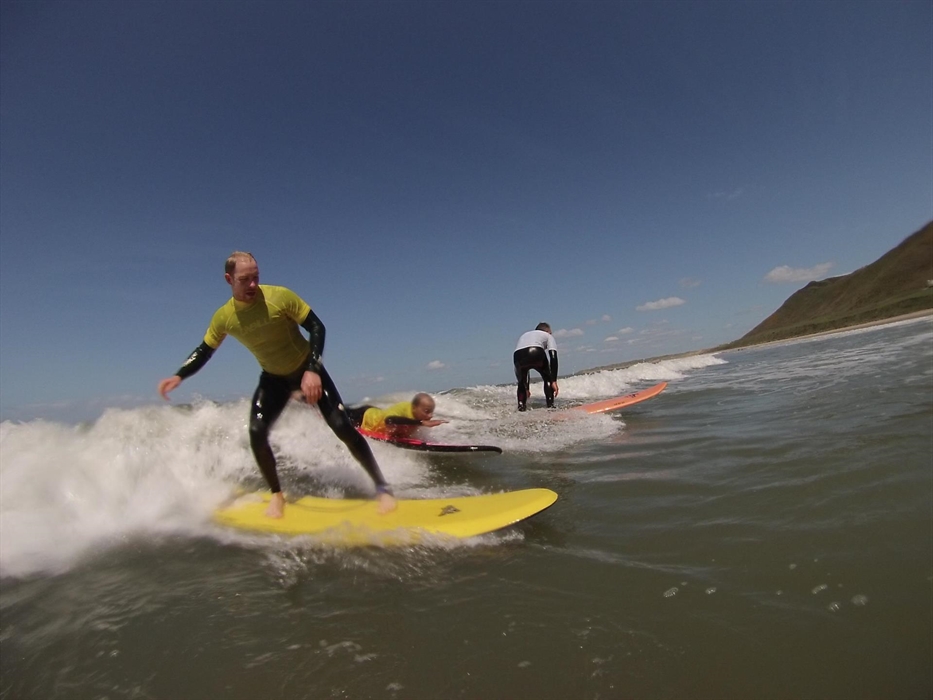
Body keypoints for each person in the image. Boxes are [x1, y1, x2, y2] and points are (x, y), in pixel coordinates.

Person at [157, 251, 396, 519]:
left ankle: (382, 486)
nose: (252, 285)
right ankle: (277, 495)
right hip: (273, 379)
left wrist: (313, 370)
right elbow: (204, 350)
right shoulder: (224, 317)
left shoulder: (279, 296)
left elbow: (317, 327)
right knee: (257, 432)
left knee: (341, 426)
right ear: (229, 279)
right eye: (244, 279)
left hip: (307, 369)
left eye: (255, 278)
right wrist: (179, 375)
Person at [347, 393, 448, 439]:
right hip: (363, 416)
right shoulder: (404, 408)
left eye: (431, 412)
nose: (430, 416)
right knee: (339, 411)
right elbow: (389, 420)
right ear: (414, 408)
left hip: (376, 412)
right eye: (426, 412)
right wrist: (421, 423)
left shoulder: (416, 415)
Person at [513, 322, 559, 411]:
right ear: (548, 331)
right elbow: (553, 356)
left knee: (521, 382)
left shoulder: (525, 335)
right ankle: (551, 407)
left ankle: (521, 408)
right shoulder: (547, 335)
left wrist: (526, 387)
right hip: (536, 352)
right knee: (547, 378)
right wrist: (553, 380)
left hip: (518, 356)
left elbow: (526, 368)